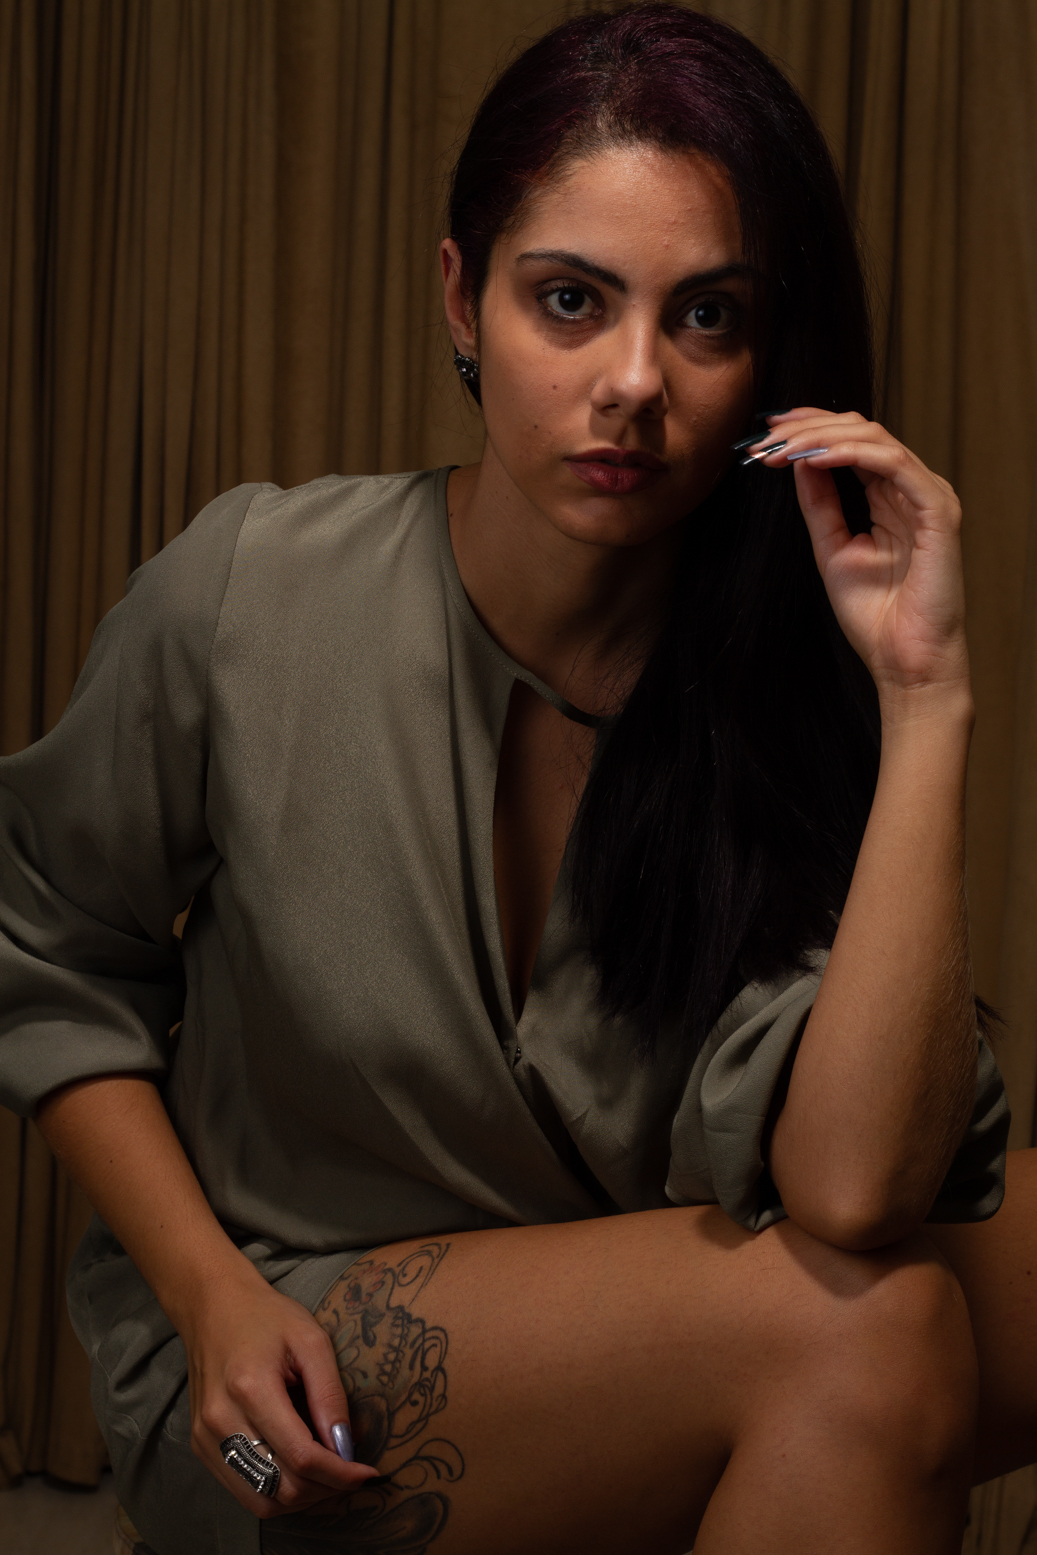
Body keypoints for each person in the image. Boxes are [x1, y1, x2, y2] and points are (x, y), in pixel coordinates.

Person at [0, 6, 1033, 1553]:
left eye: (705, 317)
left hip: (663, 1317)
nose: (632, 381)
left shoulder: (780, 679)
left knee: (881, 1302)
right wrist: (205, 1294)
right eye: (568, 301)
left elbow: (850, 1187)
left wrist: (925, 698)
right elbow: (47, 952)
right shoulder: (249, 592)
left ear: (767, 358)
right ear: (460, 300)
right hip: (282, 1348)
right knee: (867, 1334)